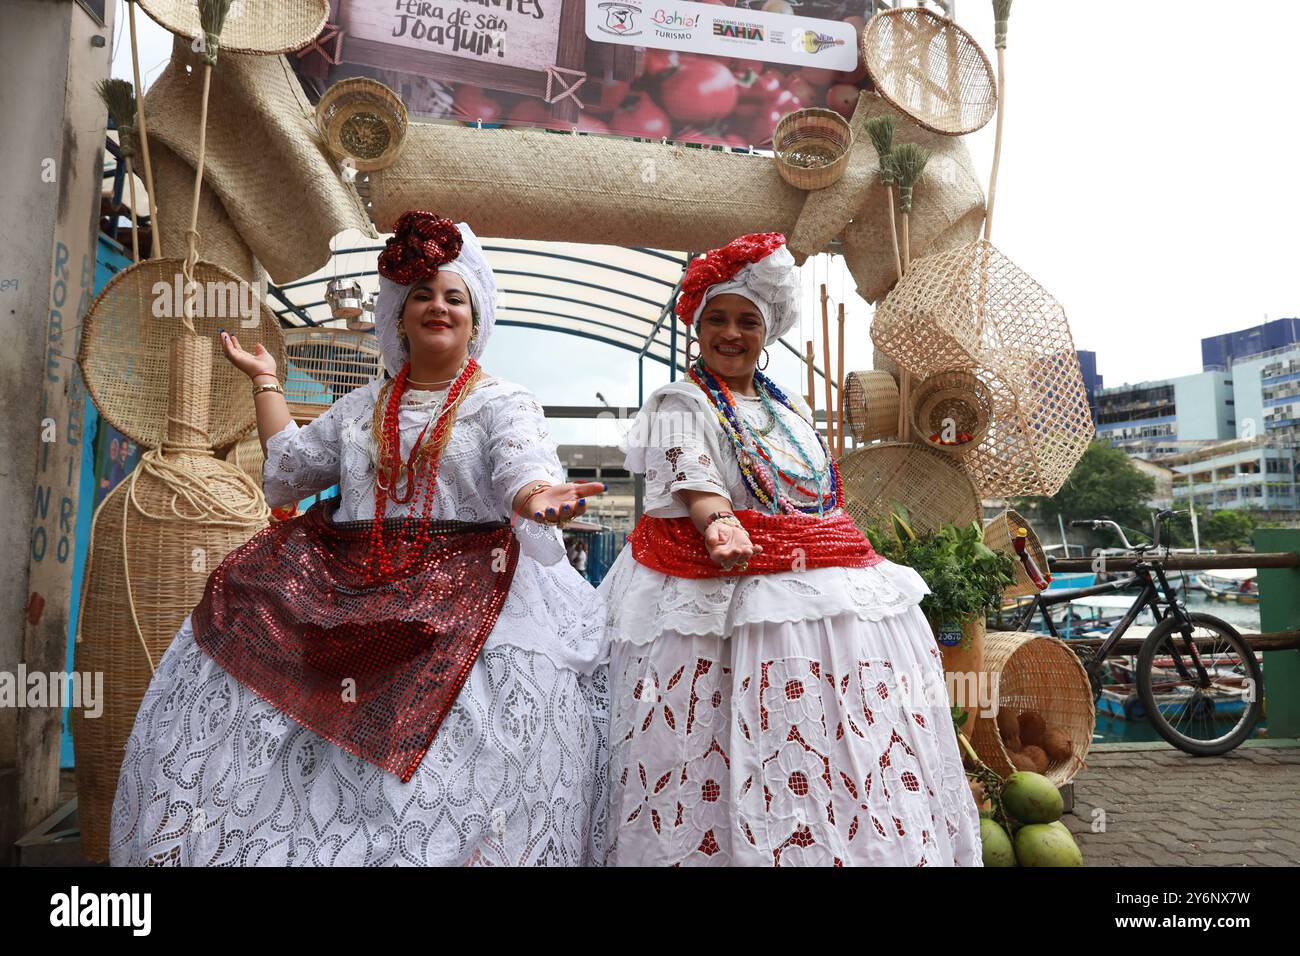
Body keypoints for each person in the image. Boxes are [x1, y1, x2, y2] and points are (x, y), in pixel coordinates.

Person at [110, 211, 610, 866]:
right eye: (422, 295)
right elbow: (287, 474)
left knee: (458, 767)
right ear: (397, 314)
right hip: (349, 590)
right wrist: (265, 380)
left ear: (476, 316)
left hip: (471, 593)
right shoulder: (360, 406)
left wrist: (537, 497)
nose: (438, 307)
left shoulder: (502, 402)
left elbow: (522, 465)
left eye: (454, 296)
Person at [598, 232, 981, 866]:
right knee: (714, 745)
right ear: (695, 326)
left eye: (747, 320)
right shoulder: (678, 402)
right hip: (714, 594)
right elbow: (692, 472)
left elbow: (812, 490)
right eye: (716, 318)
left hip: (816, 577)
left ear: (767, 331)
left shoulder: (789, 403)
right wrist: (718, 522)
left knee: (829, 751)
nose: (731, 332)